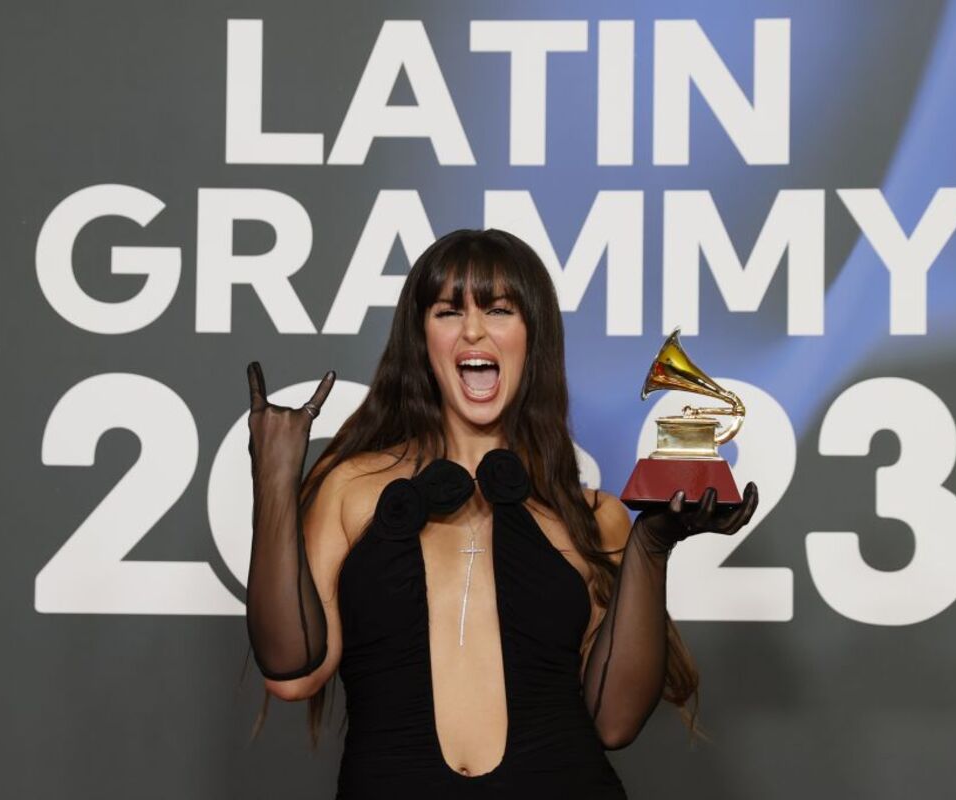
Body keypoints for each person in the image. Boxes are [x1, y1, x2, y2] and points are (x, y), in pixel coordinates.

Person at [244, 228, 759, 798]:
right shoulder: (351, 491)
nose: (472, 330)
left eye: (498, 310)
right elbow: (291, 674)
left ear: (530, 338)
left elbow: (613, 725)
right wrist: (274, 478)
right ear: (422, 339)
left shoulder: (593, 518)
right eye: (448, 311)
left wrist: (650, 547)